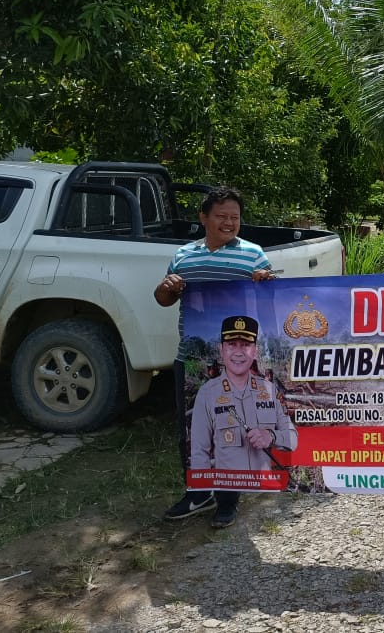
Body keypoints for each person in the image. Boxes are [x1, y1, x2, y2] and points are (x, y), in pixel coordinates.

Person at [154, 186, 274, 522]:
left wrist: (266, 282)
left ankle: (227, 499)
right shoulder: (184, 256)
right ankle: (197, 493)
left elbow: (270, 299)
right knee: (192, 429)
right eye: (221, 216)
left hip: (236, 363)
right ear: (203, 217)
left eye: (234, 217)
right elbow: (164, 299)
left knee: (231, 429)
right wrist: (165, 288)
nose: (229, 222)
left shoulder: (253, 255)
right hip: (190, 358)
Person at [190, 315, 298, 528]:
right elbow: (199, 450)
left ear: (255, 351)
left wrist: (271, 436)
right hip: (228, 489)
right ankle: (226, 503)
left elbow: (293, 438)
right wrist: (202, 490)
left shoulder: (268, 389)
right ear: (221, 350)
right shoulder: (207, 393)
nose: (239, 352)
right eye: (232, 344)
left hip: (267, 489)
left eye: (246, 345)